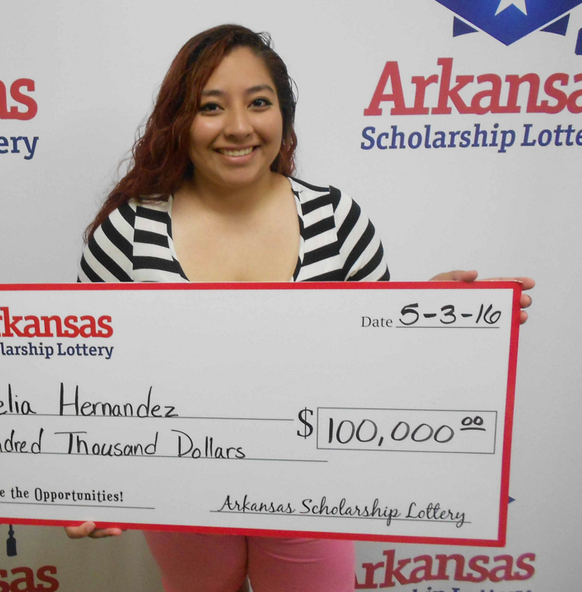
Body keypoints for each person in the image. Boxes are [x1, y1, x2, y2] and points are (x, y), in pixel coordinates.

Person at [70, 24, 534, 592]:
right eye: (210, 106)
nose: (238, 127)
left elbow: (381, 360)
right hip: (178, 492)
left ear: (283, 115)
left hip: (315, 488)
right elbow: (91, 380)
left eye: (258, 103)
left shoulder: (336, 220)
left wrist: (437, 320)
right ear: (179, 120)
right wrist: (87, 483)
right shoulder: (128, 230)